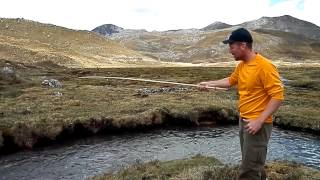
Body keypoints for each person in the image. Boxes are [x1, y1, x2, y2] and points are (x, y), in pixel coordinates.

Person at [198, 28, 284, 180]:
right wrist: (208, 83)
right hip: (244, 120)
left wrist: (259, 121)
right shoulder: (241, 65)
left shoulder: (265, 66)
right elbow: (230, 81)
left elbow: (277, 96)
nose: (230, 50)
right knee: (251, 162)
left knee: (248, 171)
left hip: (258, 124)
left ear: (243, 45)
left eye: (232, 46)